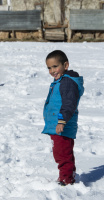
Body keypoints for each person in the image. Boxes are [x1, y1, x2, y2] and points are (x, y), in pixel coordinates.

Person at [42, 50, 84, 186]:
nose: (52, 70)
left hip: (62, 125)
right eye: (49, 67)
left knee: (62, 154)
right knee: (63, 152)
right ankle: (68, 174)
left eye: (55, 66)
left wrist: (61, 121)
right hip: (59, 124)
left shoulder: (67, 83)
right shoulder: (62, 81)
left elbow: (68, 104)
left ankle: (66, 180)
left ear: (65, 65)